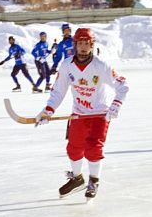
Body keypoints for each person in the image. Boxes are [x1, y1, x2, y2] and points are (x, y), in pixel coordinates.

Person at [35, 28, 129, 199]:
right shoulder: (67, 65)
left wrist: (116, 104)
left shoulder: (101, 65)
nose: (84, 47)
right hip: (78, 114)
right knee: (73, 148)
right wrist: (48, 110)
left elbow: (122, 86)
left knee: (93, 148)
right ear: (75, 45)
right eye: (81, 43)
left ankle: (94, 180)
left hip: (100, 114)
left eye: (87, 43)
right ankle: (77, 179)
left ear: (92, 45)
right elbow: (58, 91)